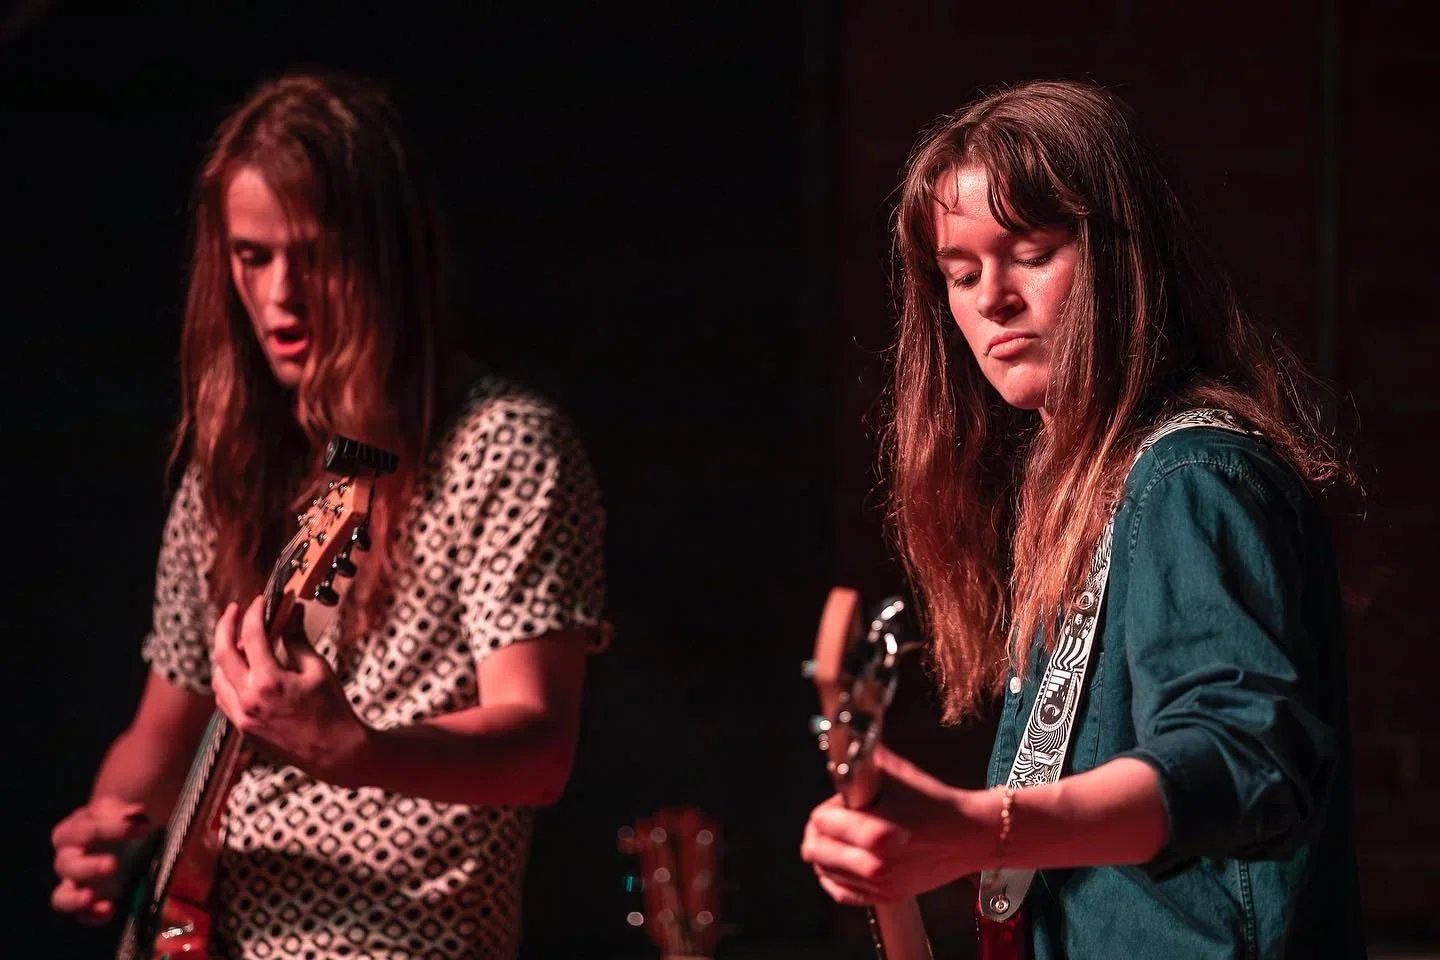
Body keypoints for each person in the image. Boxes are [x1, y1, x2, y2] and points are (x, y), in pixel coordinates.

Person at [49, 72, 607, 960]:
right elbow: (163, 732)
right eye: (252, 256)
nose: (282, 296)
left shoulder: (504, 444)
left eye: (316, 253)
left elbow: (539, 745)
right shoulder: (231, 460)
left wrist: (354, 749)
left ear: (387, 254)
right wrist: (103, 829)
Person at [800, 80, 1363, 957]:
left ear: (1123, 259)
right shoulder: (1079, 494)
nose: (992, 300)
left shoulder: (1192, 475)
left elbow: (1247, 762)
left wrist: (978, 826)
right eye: (961, 272)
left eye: (1031, 252)